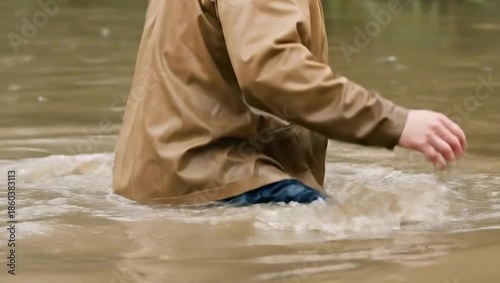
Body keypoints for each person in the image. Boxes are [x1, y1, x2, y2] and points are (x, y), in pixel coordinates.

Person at [112, 0, 466, 206]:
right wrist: (395, 123)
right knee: (394, 246)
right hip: (216, 177)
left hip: (163, 176)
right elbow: (272, 71)